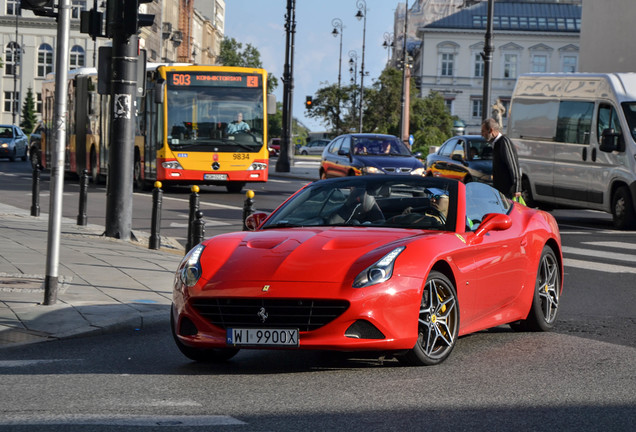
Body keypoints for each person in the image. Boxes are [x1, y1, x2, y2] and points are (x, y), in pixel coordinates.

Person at [481, 118, 522, 199]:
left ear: (491, 130)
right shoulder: (496, 143)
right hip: (500, 191)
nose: (482, 134)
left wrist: (517, 188)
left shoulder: (504, 142)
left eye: (483, 131)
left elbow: (513, 165)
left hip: (508, 192)